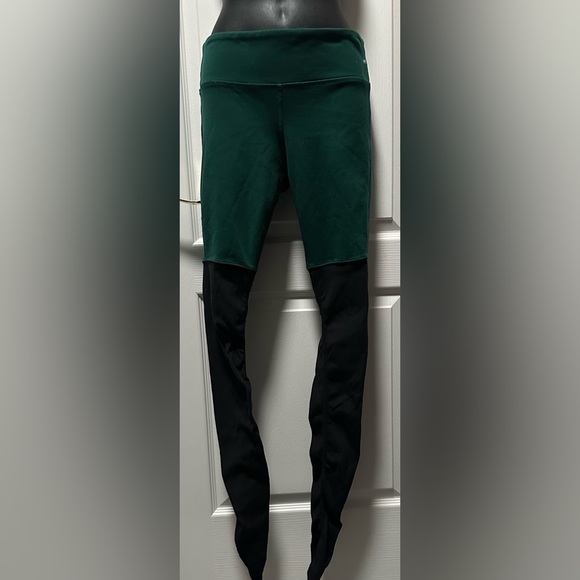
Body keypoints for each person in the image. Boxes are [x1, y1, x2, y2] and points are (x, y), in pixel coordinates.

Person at [199, 2, 372, 578]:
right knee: (222, 310)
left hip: (330, 76)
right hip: (234, 78)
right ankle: (251, 529)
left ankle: (325, 538)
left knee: (346, 310)